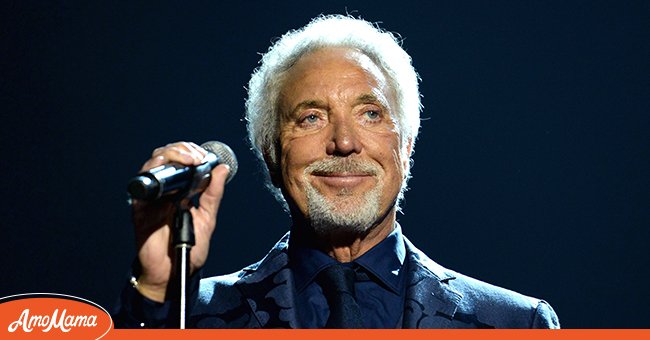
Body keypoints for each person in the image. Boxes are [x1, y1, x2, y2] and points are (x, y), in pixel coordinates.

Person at [113, 14, 560, 328]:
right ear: (269, 151)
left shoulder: (514, 323)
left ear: (405, 144)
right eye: (311, 117)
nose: (344, 142)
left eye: (370, 114)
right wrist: (156, 292)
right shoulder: (194, 319)